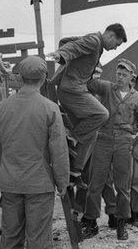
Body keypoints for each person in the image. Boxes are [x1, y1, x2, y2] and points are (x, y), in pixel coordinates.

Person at [0, 56, 69, 249]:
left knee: (10, 236)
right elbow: (58, 151)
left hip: (10, 183)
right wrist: (63, 182)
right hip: (39, 184)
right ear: (44, 78)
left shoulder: (2, 107)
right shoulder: (49, 108)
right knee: (38, 238)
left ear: (19, 77)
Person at [48, 24, 127, 188]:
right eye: (116, 44)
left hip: (74, 89)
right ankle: (71, 138)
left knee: (92, 133)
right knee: (102, 114)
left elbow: (65, 41)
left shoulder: (95, 42)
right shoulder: (93, 41)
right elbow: (73, 47)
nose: (114, 49)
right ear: (111, 36)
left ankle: (75, 172)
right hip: (72, 90)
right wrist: (60, 55)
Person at [82, 59, 138, 241]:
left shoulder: (136, 97)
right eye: (118, 74)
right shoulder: (106, 88)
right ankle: (91, 222)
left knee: (123, 186)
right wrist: (91, 66)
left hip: (124, 141)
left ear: (131, 77)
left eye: (124, 75)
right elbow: (89, 83)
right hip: (103, 138)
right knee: (95, 183)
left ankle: (121, 224)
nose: (120, 77)